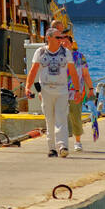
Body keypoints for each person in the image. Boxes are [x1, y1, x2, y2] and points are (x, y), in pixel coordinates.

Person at [25, 25, 76, 157]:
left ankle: (62, 146)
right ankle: (51, 148)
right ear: (49, 38)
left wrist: (77, 89)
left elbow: (73, 72)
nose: (61, 39)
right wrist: (27, 87)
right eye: (58, 37)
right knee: (50, 119)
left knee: (61, 117)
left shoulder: (66, 53)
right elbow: (33, 71)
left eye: (62, 37)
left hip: (62, 89)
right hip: (46, 89)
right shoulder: (40, 52)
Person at [67, 41, 94, 151]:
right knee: (59, 117)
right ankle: (61, 143)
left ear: (71, 43)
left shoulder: (79, 57)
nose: (64, 43)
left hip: (76, 92)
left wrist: (91, 89)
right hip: (59, 91)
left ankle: (77, 141)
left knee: (76, 116)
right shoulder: (57, 55)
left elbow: (85, 74)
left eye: (66, 41)